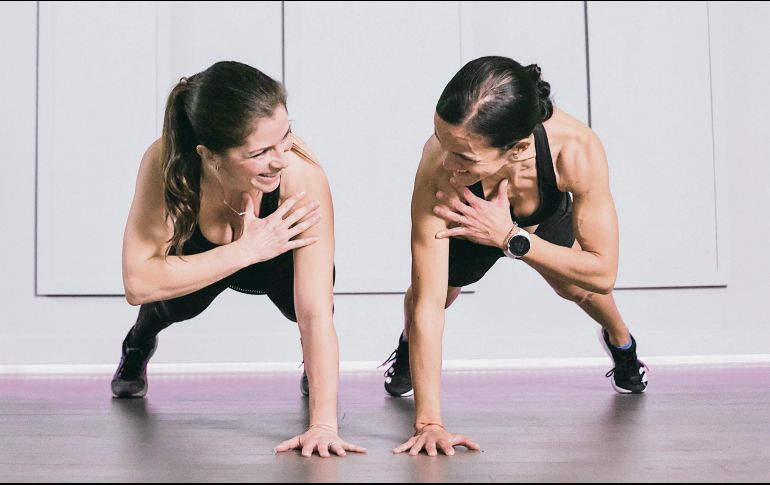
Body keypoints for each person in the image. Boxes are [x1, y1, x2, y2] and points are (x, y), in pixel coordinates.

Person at [384, 56, 649, 456]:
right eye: (442, 140)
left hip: (529, 220)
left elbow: (602, 272)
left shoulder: (576, 149)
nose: (448, 162)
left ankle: (622, 343)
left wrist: (510, 236)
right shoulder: (438, 166)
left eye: (465, 157)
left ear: (520, 147)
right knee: (440, 292)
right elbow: (428, 301)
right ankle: (408, 348)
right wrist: (429, 423)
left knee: (578, 290)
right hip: (470, 218)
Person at [112, 61, 365, 458]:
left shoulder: (300, 178)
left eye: (286, 136)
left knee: (309, 308)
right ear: (209, 155)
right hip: (217, 251)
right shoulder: (168, 163)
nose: (281, 158)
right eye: (261, 151)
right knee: (173, 306)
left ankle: (313, 374)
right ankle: (138, 342)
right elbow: (138, 282)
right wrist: (244, 251)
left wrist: (322, 425)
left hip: (275, 252)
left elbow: (317, 313)